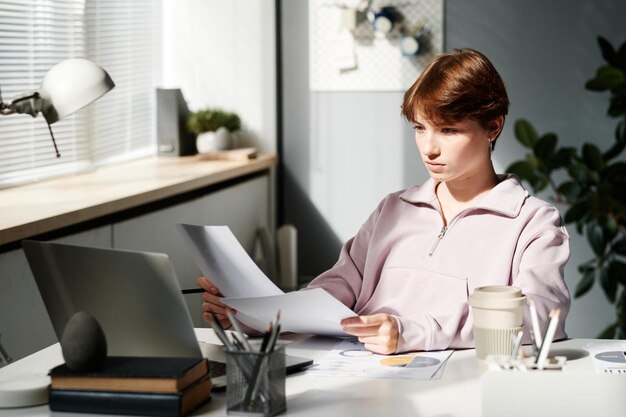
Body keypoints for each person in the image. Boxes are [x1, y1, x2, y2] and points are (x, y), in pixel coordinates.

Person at [197, 48, 571, 355]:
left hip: (463, 391)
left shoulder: (532, 222)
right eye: (420, 128)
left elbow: (541, 314)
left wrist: (414, 331)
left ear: (493, 126)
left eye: (448, 130)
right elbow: (335, 291)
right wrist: (251, 315)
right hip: (363, 383)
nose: (429, 147)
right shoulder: (394, 209)